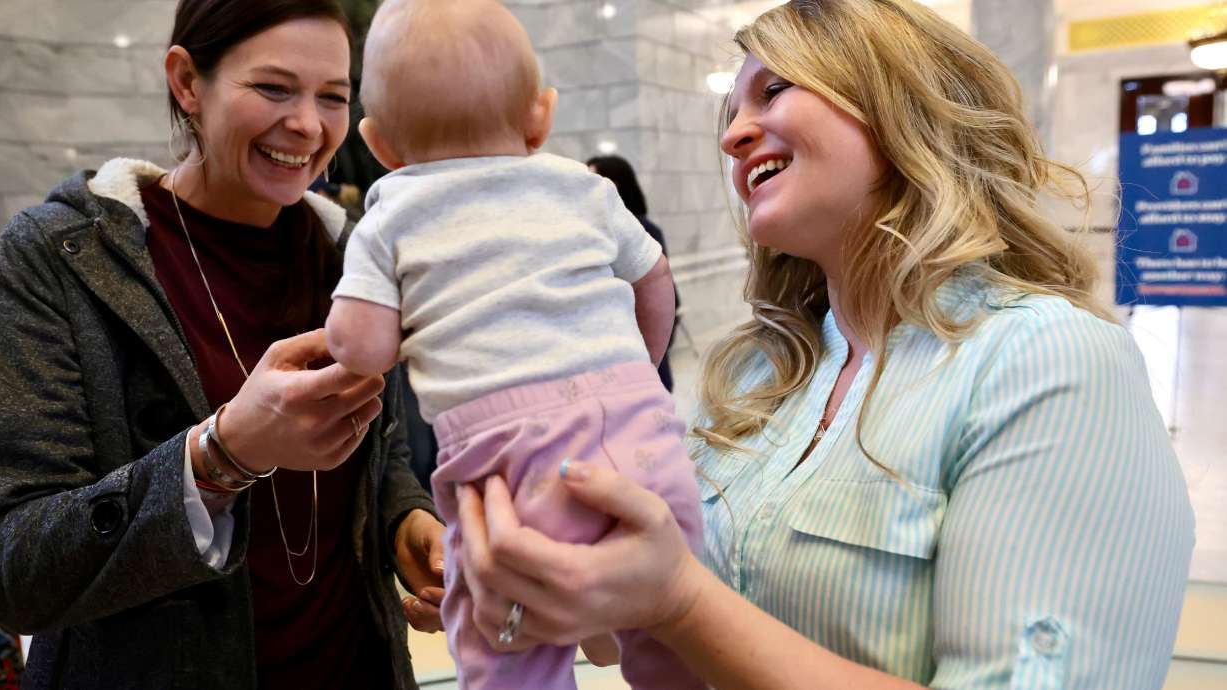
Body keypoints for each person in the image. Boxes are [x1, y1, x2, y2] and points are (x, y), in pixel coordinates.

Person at [454, 1, 1198, 689]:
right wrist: (549, 580)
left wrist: (679, 601)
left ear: (898, 105)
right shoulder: (760, 372)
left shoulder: (1050, 361)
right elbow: (631, 634)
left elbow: (683, 603)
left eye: (773, 91)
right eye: (731, 110)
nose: (733, 133)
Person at [0, 1, 448, 688]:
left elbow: (377, 452)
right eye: (273, 88)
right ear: (186, 80)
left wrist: (407, 524)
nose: (307, 124)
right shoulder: (58, 260)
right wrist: (223, 453)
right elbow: (18, 566)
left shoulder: (352, 252)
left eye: (333, 96)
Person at [323, 1, 704, 688]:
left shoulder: (391, 211)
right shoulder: (583, 188)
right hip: (644, 443)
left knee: (507, 643)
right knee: (670, 625)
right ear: (541, 115)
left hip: (510, 473)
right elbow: (656, 281)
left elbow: (363, 347)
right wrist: (639, 368)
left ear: (378, 143)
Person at [587, 154, 681, 392]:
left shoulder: (644, 230)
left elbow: (666, 290)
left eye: (596, 178)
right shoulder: (588, 233)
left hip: (638, 349)